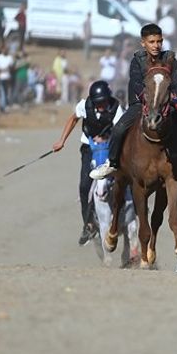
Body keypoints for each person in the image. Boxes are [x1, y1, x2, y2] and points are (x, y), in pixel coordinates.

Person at [88, 24, 177, 194]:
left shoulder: (170, 60)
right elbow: (136, 83)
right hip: (140, 105)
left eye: (159, 41)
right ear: (143, 43)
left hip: (165, 105)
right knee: (119, 128)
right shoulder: (137, 60)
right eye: (152, 42)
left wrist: (174, 94)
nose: (156, 45)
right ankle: (112, 164)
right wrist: (147, 98)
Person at [55, 80, 125, 245]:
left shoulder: (116, 109)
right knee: (84, 186)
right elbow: (73, 120)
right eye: (98, 103)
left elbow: (121, 132)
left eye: (104, 102)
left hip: (109, 149)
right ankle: (89, 225)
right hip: (89, 149)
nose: (101, 106)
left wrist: (107, 139)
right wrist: (61, 141)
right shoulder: (84, 106)